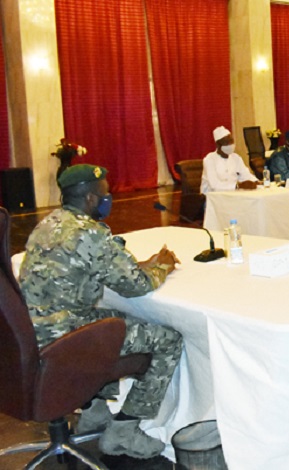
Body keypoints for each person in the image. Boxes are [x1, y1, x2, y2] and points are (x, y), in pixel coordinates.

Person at [19, 164, 183, 460]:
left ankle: (93, 412)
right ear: (91, 199)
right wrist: (163, 266)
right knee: (168, 339)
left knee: (113, 320)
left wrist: (134, 265)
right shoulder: (90, 233)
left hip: (32, 334)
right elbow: (137, 286)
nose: (109, 199)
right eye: (105, 194)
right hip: (67, 337)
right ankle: (125, 430)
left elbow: (89, 266)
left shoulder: (48, 224)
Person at [201, 126, 258, 193]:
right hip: (212, 196)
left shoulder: (236, 158)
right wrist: (237, 186)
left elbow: (245, 175)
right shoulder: (209, 160)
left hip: (232, 194)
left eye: (231, 141)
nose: (230, 144)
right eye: (226, 142)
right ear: (218, 145)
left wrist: (256, 182)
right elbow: (214, 185)